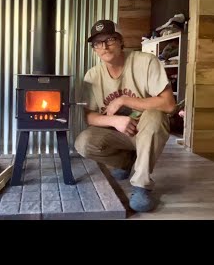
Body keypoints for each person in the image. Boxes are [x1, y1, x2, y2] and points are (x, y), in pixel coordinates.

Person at [74, 19, 176, 212]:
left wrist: (124, 100)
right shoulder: (92, 76)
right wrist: (114, 120)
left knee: (155, 116)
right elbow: (88, 116)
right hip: (120, 133)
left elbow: (169, 104)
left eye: (110, 39)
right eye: (98, 43)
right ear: (94, 49)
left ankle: (141, 186)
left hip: (147, 130)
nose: (104, 46)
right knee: (83, 142)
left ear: (121, 41)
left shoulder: (145, 61)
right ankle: (126, 161)